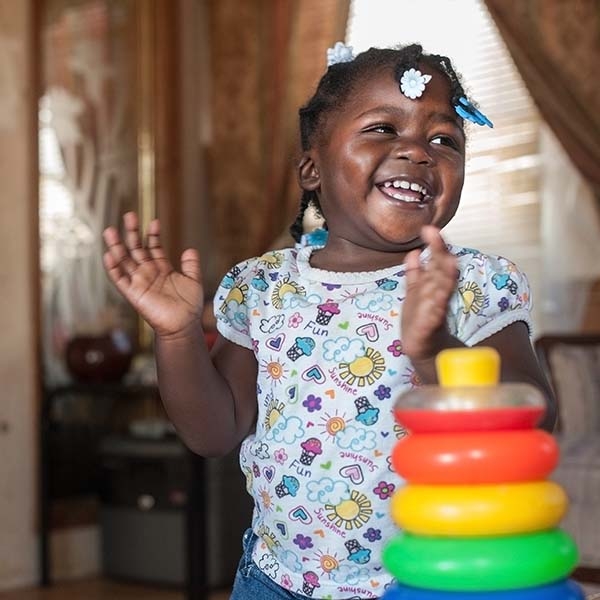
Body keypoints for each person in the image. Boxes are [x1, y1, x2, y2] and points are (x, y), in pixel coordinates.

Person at [103, 42, 556, 600]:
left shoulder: (474, 282)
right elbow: (214, 431)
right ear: (312, 168)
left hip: (430, 583)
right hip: (277, 581)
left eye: (443, 140)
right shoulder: (262, 286)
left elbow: (534, 421)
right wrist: (175, 337)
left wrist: (433, 346)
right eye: (383, 129)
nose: (416, 151)